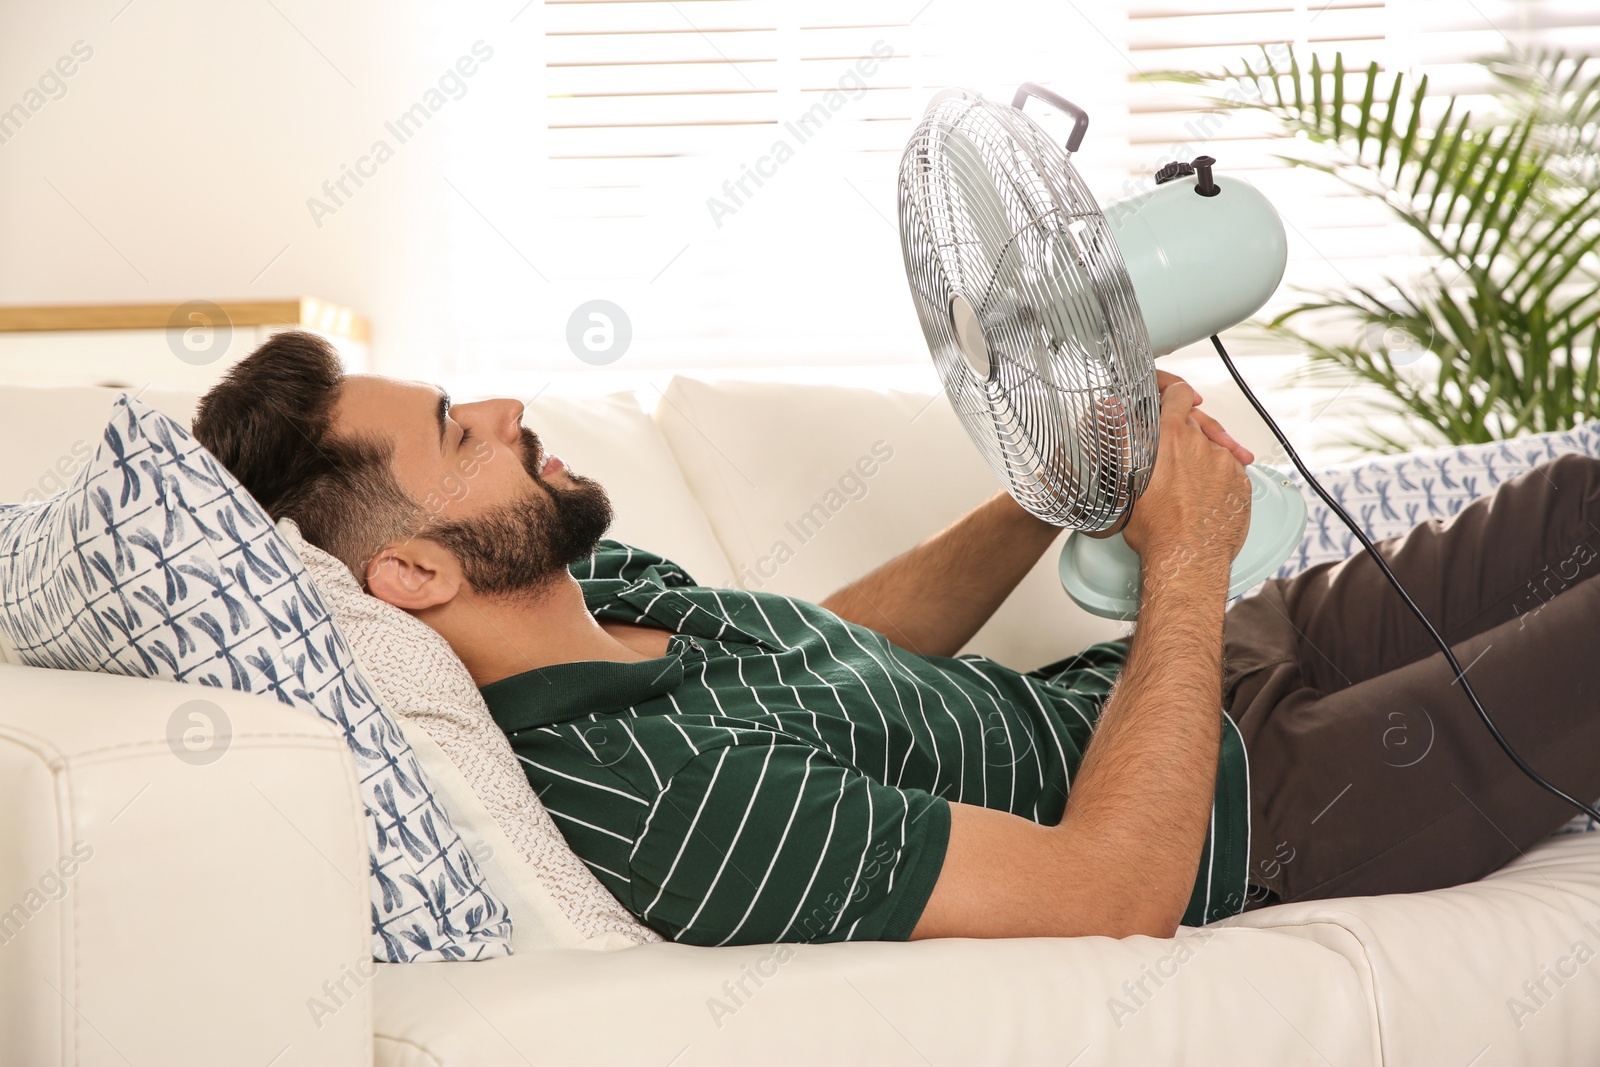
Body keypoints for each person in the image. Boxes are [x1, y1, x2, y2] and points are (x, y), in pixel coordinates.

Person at [194, 330, 1600, 945]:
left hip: (1190, 676)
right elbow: (1112, 893)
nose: (502, 410)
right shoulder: (657, 800)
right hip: (1264, 805)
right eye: (456, 434)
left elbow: (824, 649)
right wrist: (1183, 559)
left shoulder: (592, 589)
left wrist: (1048, 490)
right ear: (418, 573)